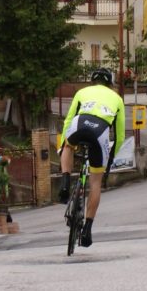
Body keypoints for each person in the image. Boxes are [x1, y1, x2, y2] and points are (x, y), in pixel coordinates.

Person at [58, 68, 125, 248]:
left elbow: (68, 120)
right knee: (95, 182)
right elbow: (119, 136)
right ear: (110, 83)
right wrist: (109, 161)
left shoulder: (81, 92)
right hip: (100, 131)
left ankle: (64, 182)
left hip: (79, 124)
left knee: (68, 146)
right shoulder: (117, 99)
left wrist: (63, 145)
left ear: (92, 81)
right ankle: (87, 229)